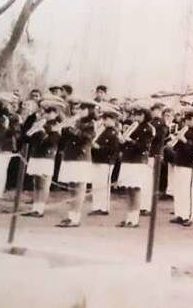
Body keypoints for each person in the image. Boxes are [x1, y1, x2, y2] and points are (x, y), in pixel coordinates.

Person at [56, 98, 97, 228]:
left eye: (83, 109)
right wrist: (63, 127)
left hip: (81, 157)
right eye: (80, 108)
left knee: (79, 188)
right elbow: (64, 137)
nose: (80, 111)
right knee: (72, 187)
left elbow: (88, 138)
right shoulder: (76, 121)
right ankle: (71, 215)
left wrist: (73, 129)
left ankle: (75, 217)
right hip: (70, 155)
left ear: (89, 110)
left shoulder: (91, 123)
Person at [23, 95, 64, 217]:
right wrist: (34, 130)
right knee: (36, 182)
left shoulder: (57, 125)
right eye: (45, 111)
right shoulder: (40, 123)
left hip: (46, 155)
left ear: (56, 113)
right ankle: (35, 207)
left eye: (50, 112)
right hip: (36, 154)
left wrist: (41, 132)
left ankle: (40, 209)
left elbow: (53, 141)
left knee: (43, 183)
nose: (46, 114)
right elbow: (27, 138)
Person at [116, 101, 155, 227]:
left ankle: (134, 219)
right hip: (128, 160)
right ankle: (129, 217)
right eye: (135, 114)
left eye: (139, 114)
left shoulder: (148, 128)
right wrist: (122, 141)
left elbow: (144, 147)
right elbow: (124, 144)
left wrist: (130, 141)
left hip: (138, 161)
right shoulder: (133, 126)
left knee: (136, 189)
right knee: (129, 189)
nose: (136, 117)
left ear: (145, 115)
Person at [170, 108, 193, 227]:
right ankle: (180, 214)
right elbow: (176, 148)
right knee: (179, 190)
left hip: (190, 164)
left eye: (190, 119)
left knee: (188, 191)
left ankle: (188, 216)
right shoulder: (184, 130)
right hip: (180, 162)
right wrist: (175, 139)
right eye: (186, 119)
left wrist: (185, 141)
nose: (188, 121)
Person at [89, 106, 121, 216]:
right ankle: (96, 206)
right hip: (97, 160)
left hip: (107, 161)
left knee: (104, 185)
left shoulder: (114, 132)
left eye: (107, 119)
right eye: (104, 119)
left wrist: (99, 148)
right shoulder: (102, 131)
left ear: (113, 120)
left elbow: (114, 149)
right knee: (96, 184)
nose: (104, 121)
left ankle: (104, 207)